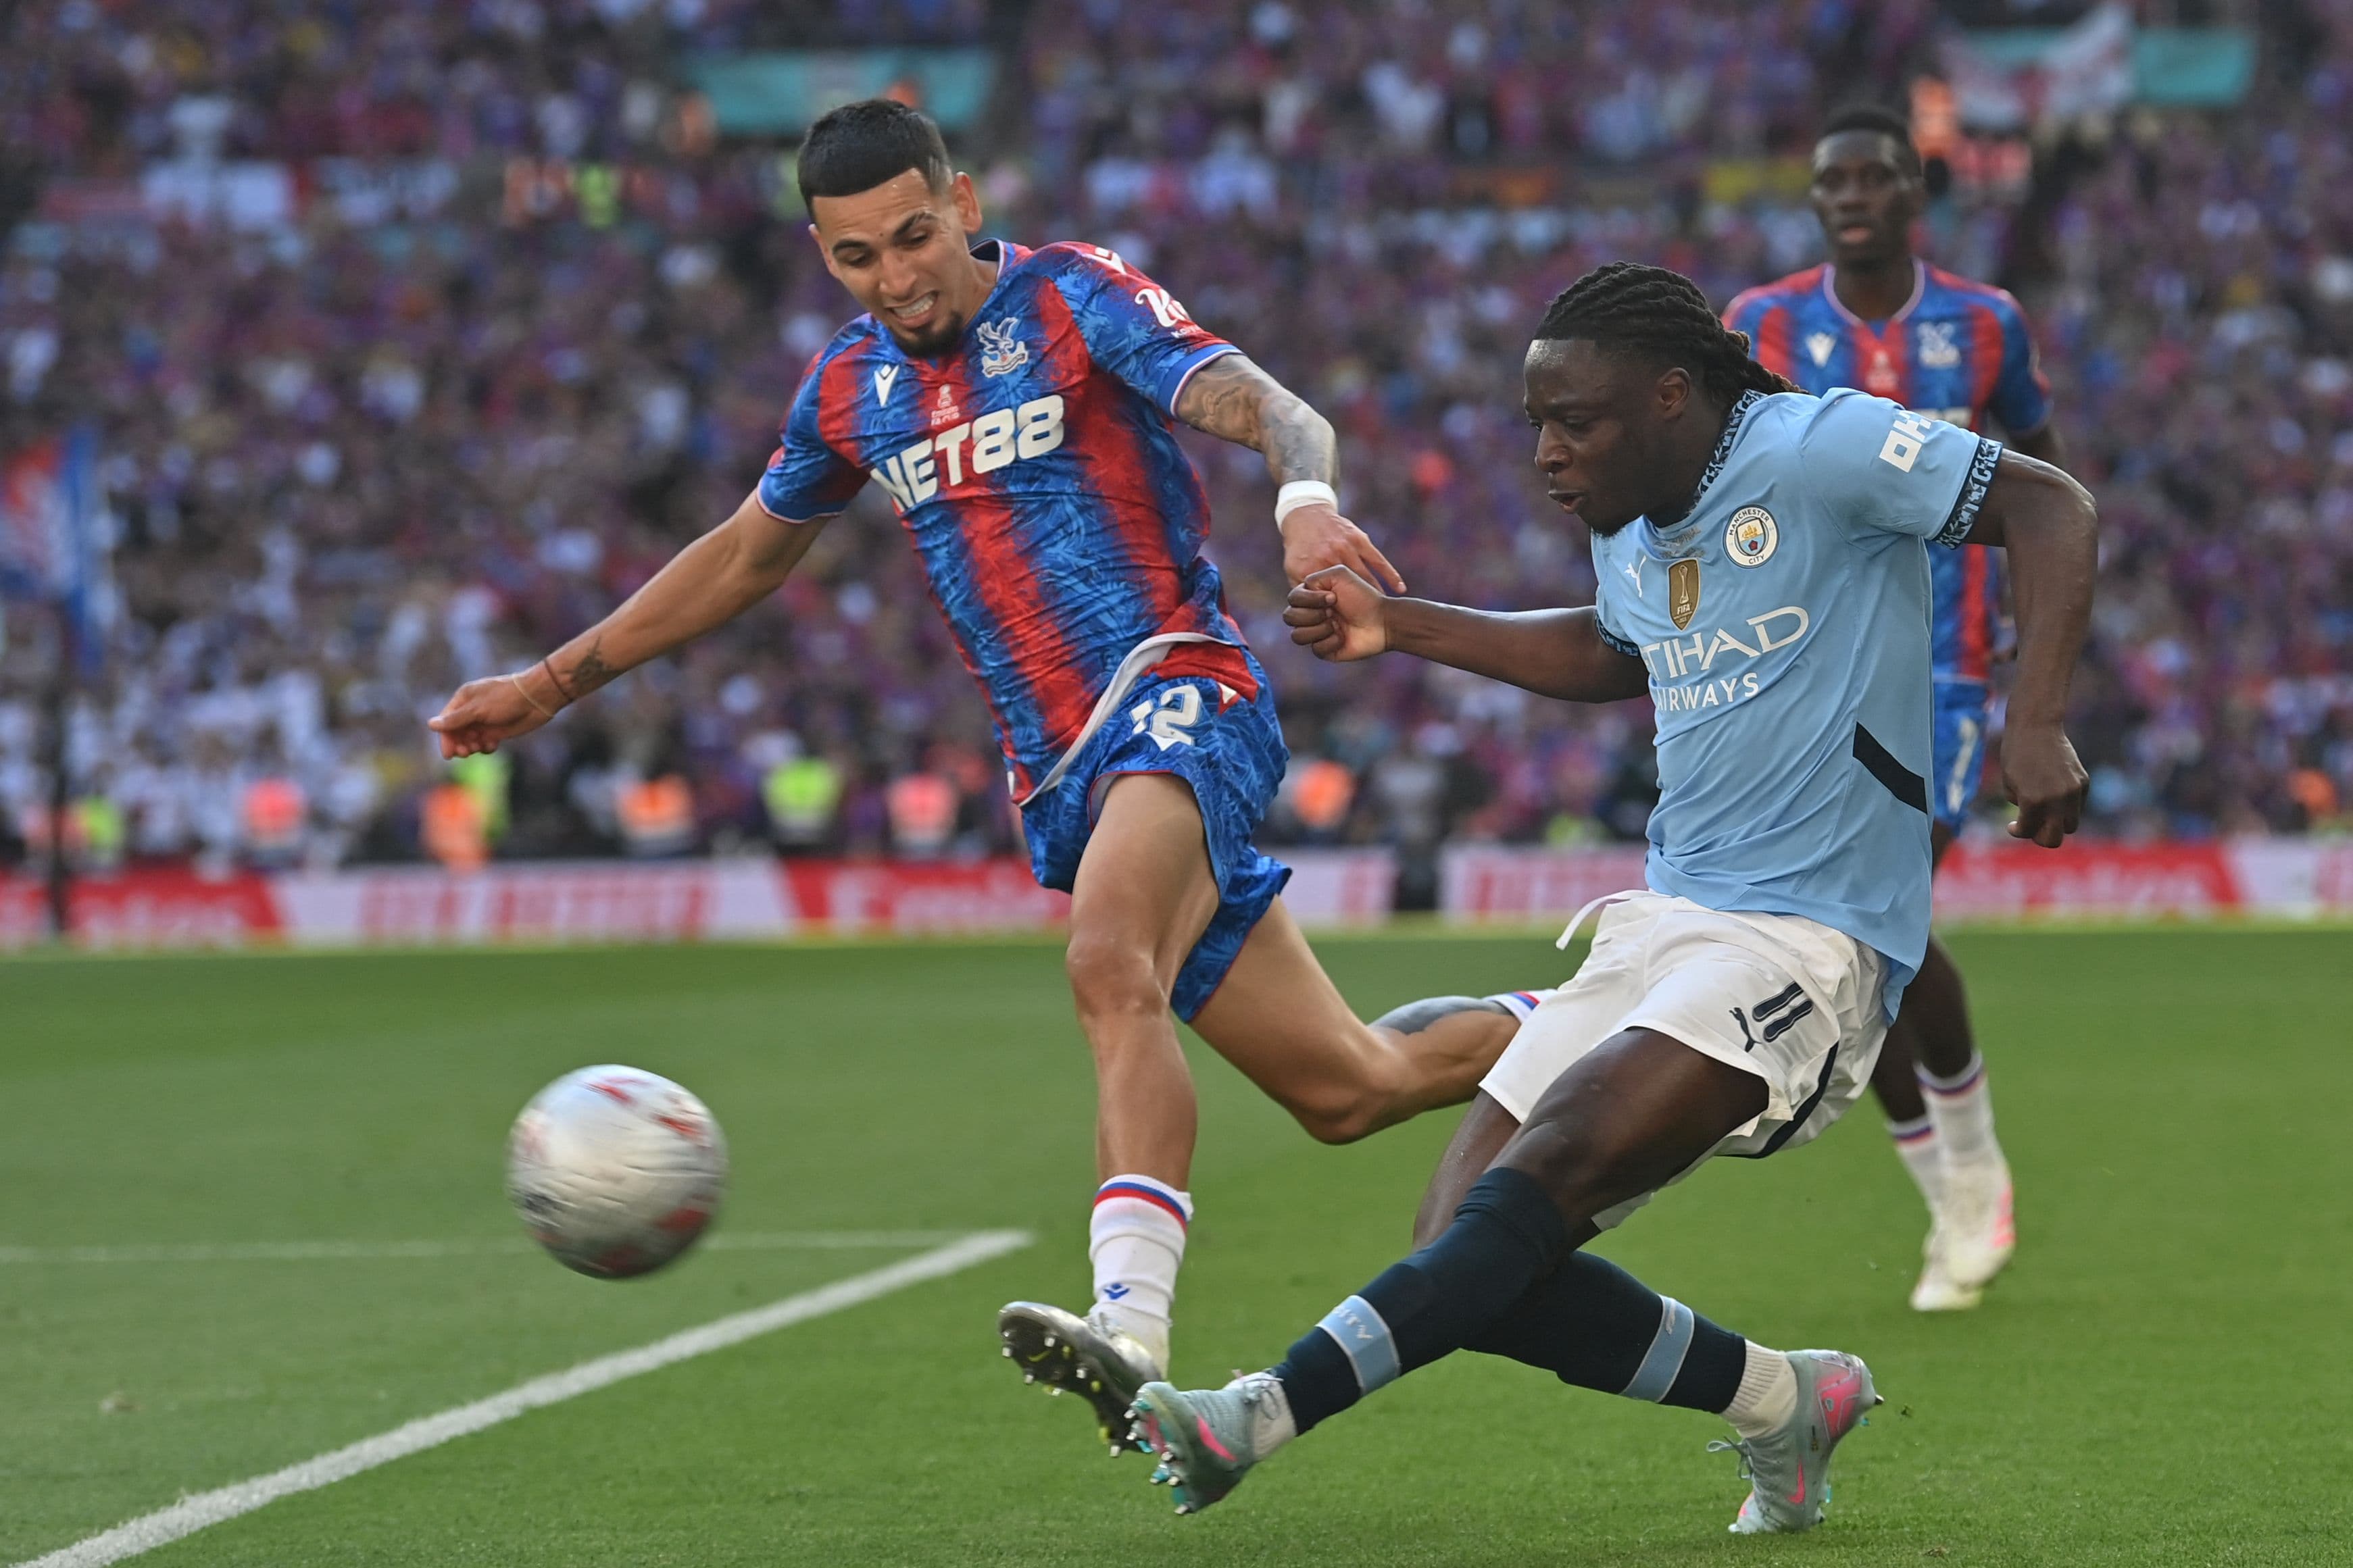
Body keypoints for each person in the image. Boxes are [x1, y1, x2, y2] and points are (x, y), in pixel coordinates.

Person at [425, 99, 1510, 1452]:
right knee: (1352, 1089)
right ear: (823, 257)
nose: (898, 277)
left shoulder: (1072, 298)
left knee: (1107, 961)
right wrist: (548, 684)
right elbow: (744, 556)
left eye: (916, 238)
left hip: (1181, 696)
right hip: (1060, 774)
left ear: (963, 201)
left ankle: (1130, 1335)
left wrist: (1303, 508)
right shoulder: (846, 391)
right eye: (858, 257)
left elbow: (1266, 405)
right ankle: (1633, 1030)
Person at [1123, 262, 2095, 1532]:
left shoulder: (1823, 446)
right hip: (1661, 919)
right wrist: (1400, 625)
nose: (1545, 451)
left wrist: (2035, 722)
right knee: (1463, 1258)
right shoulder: (1630, 523)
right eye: (1535, 422)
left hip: (1809, 940)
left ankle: (1253, 1412)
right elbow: (1609, 649)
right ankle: (1780, 1399)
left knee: (1545, 1177)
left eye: (1571, 419)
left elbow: (2051, 504)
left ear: (1671, 396)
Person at [1720, 101, 2069, 1310]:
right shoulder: (1757, 325)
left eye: (1873, 175)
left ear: (1913, 195)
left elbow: (2042, 475)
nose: (1851, 193)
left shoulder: (1984, 325)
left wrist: (2040, 676)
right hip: (1805, 666)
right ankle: (1953, 1191)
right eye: (1831, 179)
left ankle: (1968, 1179)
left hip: (1943, 666)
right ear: (1814, 201)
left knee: (1884, 911)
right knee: (1868, 934)